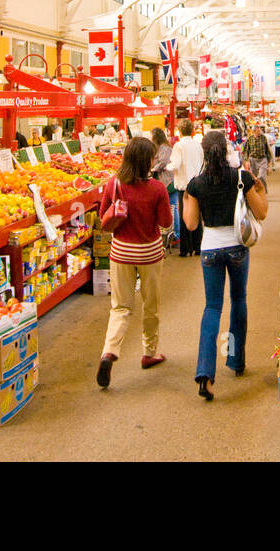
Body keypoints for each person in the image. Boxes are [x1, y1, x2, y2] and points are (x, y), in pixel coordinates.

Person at [183, 131, 268, 401]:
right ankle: (235, 359)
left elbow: (191, 224)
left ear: (205, 153)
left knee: (212, 308)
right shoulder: (241, 178)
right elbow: (262, 212)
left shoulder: (196, 184)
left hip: (210, 249)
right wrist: (261, 190)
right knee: (238, 300)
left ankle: (205, 374)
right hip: (237, 247)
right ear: (226, 150)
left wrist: (186, 199)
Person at [95, 137, 173, 388]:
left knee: (120, 307)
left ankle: (109, 352)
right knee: (151, 306)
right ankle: (149, 352)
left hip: (121, 252)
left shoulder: (114, 183)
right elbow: (166, 222)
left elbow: (103, 217)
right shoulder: (157, 189)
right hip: (149, 253)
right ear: (147, 161)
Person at [168, 120, 204, 257]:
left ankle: (185, 249)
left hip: (184, 186)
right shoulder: (197, 145)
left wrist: (167, 167)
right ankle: (198, 246)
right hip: (197, 184)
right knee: (197, 215)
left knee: (185, 216)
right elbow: (202, 162)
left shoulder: (179, 146)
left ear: (180, 132)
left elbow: (175, 164)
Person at [150, 127, 178, 247]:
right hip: (165, 181)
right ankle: (171, 233)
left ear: (156, 138)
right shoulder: (161, 148)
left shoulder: (164, 149)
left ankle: (176, 234)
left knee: (172, 208)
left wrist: (152, 169)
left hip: (168, 182)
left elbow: (162, 163)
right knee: (171, 207)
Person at [243, 124, 272, 194]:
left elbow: (267, 149)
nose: (260, 132)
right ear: (254, 131)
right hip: (253, 159)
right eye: (258, 131)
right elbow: (246, 150)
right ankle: (256, 191)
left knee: (261, 176)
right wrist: (246, 160)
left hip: (263, 159)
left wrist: (269, 161)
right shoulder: (250, 139)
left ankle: (263, 190)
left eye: (260, 131)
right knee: (254, 177)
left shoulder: (263, 138)